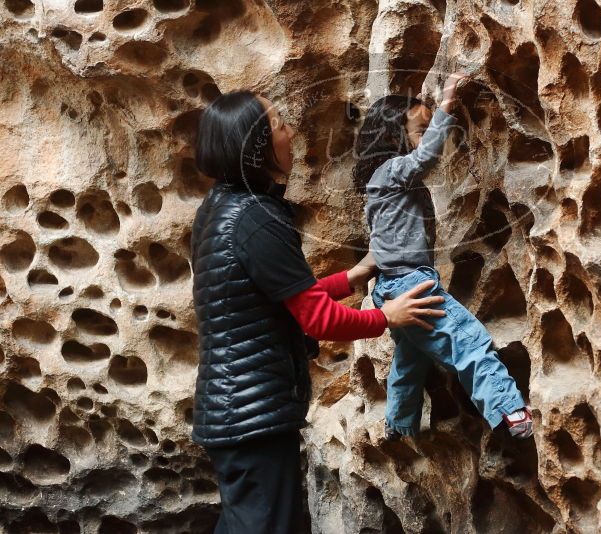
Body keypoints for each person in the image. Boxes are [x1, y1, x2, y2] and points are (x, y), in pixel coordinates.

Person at [190, 90, 447, 534]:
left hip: (235, 411)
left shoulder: (220, 209)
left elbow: (284, 297)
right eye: (278, 124)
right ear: (256, 147)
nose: (290, 133)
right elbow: (317, 319)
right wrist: (388, 317)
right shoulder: (256, 217)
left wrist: (353, 276)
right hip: (255, 418)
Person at [353, 73, 534, 441]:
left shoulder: (382, 182)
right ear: (393, 139)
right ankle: (509, 411)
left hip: (390, 287)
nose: (425, 137)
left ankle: (399, 427)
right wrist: (447, 104)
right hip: (412, 284)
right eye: (419, 130)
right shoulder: (391, 172)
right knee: (469, 342)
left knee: (410, 361)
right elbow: (424, 158)